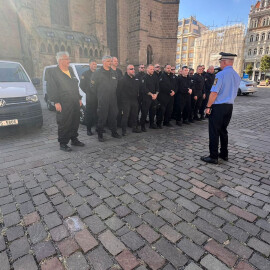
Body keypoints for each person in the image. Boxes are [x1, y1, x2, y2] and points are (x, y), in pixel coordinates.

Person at [201, 52, 241, 164]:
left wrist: (208, 106)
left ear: (223, 62)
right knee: (223, 130)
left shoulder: (220, 75)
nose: (220, 64)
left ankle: (213, 156)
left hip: (218, 107)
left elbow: (214, 93)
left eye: (220, 62)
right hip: (229, 106)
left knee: (214, 131)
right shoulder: (236, 75)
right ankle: (224, 154)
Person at [47, 51, 84, 152]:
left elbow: (75, 86)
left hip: (74, 101)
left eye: (68, 58)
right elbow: (51, 88)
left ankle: (74, 139)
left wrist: (79, 98)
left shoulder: (70, 70)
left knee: (75, 121)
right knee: (64, 123)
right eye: (66, 59)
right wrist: (56, 102)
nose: (69, 61)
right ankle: (63, 143)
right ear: (60, 60)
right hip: (63, 102)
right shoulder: (54, 73)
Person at [90, 55, 121, 142]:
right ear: (103, 62)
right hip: (103, 99)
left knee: (113, 116)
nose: (110, 63)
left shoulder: (114, 72)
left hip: (113, 99)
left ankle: (114, 132)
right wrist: (100, 94)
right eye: (108, 61)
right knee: (102, 117)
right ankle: (100, 134)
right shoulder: (97, 73)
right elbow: (92, 87)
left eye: (110, 61)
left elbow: (117, 85)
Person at [118, 65, 142, 136]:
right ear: (127, 70)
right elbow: (118, 91)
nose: (133, 70)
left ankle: (134, 128)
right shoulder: (122, 79)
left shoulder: (135, 79)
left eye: (133, 69)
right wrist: (121, 101)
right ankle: (123, 131)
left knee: (135, 115)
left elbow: (138, 88)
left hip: (134, 100)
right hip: (126, 101)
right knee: (125, 116)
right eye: (131, 69)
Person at [79, 59, 97, 135]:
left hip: (98, 96)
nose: (94, 65)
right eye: (93, 64)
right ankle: (88, 129)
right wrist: (88, 91)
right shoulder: (85, 74)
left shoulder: (98, 73)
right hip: (90, 97)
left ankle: (98, 128)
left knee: (97, 113)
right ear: (89, 65)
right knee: (89, 113)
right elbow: (81, 85)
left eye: (95, 64)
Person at [140, 64, 159, 131]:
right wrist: (151, 94)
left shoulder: (155, 77)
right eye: (151, 69)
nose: (152, 70)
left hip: (154, 97)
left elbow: (157, 87)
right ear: (147, 69)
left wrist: (156, 94)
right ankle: (142, 126)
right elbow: (144, 88)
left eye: (153, 69)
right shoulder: (144, 77)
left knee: (153, 112)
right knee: (144, 112)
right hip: (146, 98)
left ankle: (152, 124)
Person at [111, 57, 123, 127]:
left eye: (117, 61)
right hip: (112, 94)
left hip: (119, 94)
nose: (116, 62)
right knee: (112, 110)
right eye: (115, 61)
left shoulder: (119, 71)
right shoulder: (109, 71)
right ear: (111, 62)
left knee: (119, 109)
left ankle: (118, 123)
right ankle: (111, 124)